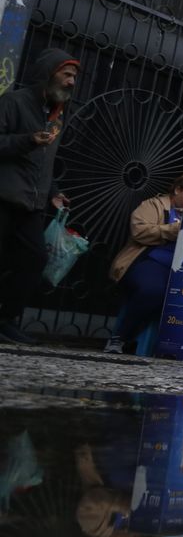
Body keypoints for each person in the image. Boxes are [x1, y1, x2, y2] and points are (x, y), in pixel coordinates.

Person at [0, 48, 79, 344]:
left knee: (34, 259)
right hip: (4, 196)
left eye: (74, 76)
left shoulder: (55, 116)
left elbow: (43, 164)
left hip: (32, 204)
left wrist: (54, 193)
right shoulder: (14, 102)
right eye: (66, 74)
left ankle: (5, 319)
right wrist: (27, 140)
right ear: (48, 74)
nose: (72, 81)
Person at [104, 174, 183, 352]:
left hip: (178, 267)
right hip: (148, 261)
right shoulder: (153, 205)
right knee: (154, 290)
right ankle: (120, 337)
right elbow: (139, 231)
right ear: (177, 190)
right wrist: (173, 230)